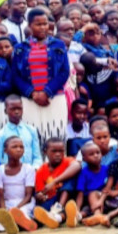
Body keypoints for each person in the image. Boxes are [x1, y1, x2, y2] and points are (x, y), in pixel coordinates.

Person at [11, 9, 70, 144]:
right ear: (29, 26)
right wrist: (32, 93)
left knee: (55, 135)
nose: (43, 27)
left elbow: (64, 72)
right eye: (38, 24)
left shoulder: (58, 45)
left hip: (54, 97)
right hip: (30, 99)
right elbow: (15, 75)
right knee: (32, 137)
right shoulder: (20, 48)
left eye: (45, 24)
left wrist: (47, 92)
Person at [0, 136, 38, 234]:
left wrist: (16, 209)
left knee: (21, 213)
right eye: (14, 147)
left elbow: (28, 196)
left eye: (21, 147)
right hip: (7, 203)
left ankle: (19, 223)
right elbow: (0, 195)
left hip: (24, 203)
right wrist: (4, 211)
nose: (18, 149)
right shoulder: (0, 170)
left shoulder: (28, 169)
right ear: (5, 150)